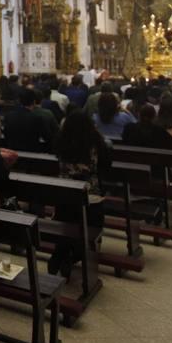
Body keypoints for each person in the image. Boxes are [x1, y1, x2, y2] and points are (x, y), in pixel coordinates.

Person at [50, 111, 111, 278]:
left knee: (66, 221)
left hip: (64, 194)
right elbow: (105, 167)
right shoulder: (97, 143)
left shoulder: (60, 141)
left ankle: (62, 252)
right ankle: (76, 254)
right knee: (93, 226)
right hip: (91, 196)